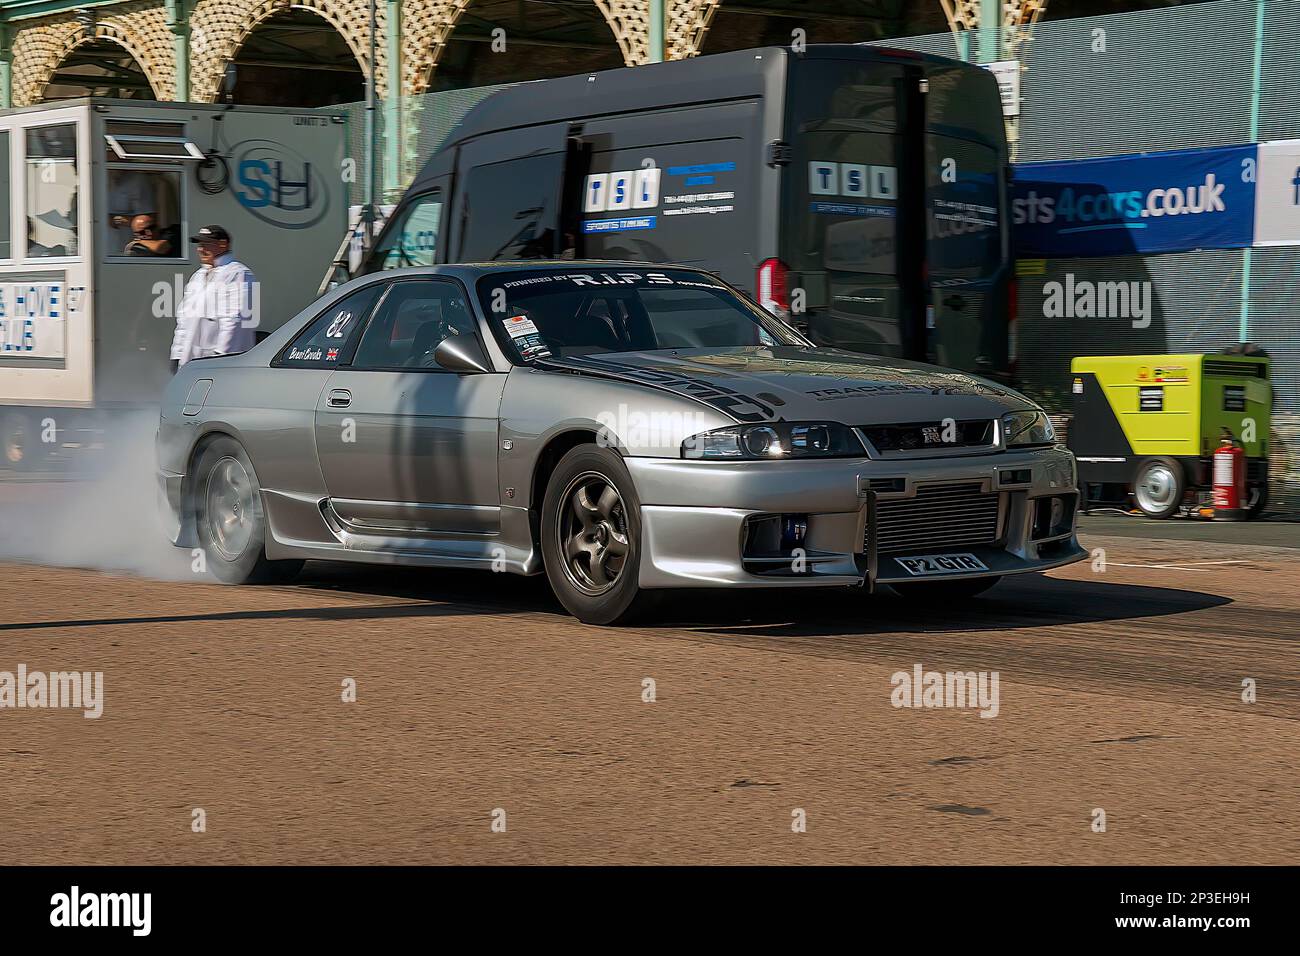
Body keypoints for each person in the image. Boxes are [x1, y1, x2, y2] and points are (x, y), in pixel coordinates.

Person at [169, 225, 257, 372]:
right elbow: (184, 318)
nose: (200, 249)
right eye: (199, 245)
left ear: (223, 244)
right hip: (191, 362)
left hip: (221, 363)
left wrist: (221, 357)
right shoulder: (198, 275)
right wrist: (177, 354)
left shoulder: (238, 273)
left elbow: (235, 320)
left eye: (206, 244)